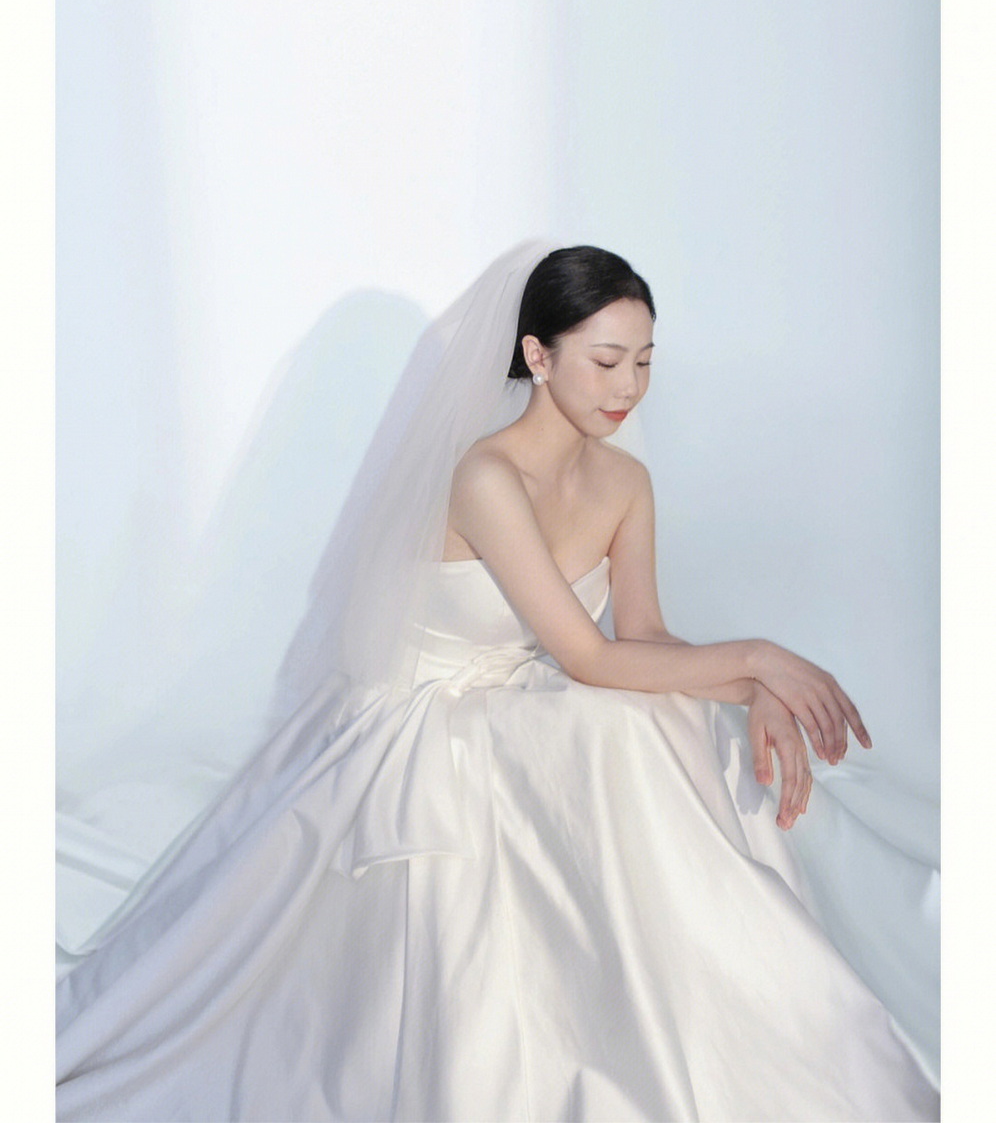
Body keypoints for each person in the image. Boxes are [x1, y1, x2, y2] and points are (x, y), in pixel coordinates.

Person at [56, 243, 939, 1122]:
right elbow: (588, 658)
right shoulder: (486, 474)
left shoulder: (626, 482)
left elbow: (643, 637)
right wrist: (760, 656)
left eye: (644, 361)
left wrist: (756, 690)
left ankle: (710, 1008)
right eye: (605, 361)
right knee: (618, 729)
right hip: (418, 723)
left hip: (517, 698)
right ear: (537, 355)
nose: (628, 387)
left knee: (667, 722)